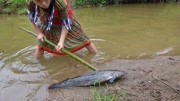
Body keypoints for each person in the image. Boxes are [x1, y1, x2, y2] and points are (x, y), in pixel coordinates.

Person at [26, 0, 97, 59]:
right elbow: (32, 18)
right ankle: (38, 64)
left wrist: (61, 42)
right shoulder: (30, 3)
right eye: (39, 2)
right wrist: (39, 33)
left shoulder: (60, 2)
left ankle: (96, 57)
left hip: (66, 21)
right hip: (47, 22)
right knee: (42, 44)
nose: (43, 3)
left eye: (46, 0)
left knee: (84, 40)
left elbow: (66, 24)